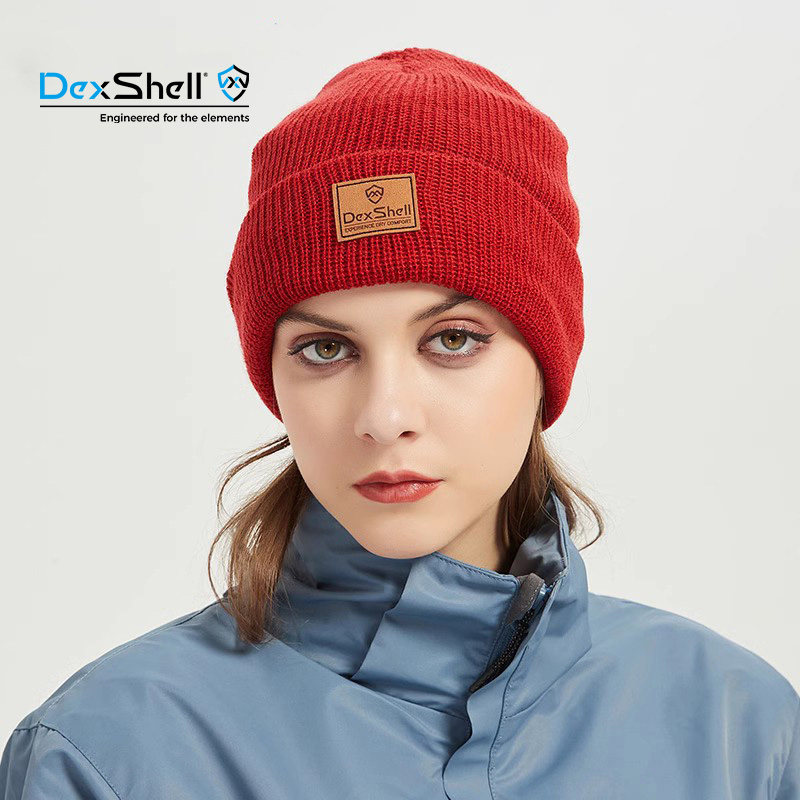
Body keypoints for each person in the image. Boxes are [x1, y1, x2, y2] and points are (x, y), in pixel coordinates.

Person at [2, 46, 797, 799]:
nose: (384, 417)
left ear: (547, 362)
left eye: (452, 340)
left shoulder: (740, 728)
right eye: (325, 349)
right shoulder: (108, 754)